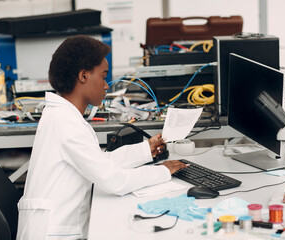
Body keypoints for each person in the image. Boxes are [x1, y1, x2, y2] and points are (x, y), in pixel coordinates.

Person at [16, 35, 187, 240]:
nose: (107, 85)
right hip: (52, 234)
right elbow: (112, 180)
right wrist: (162, 171)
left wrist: (145, 150)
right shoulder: (66, 123)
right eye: (103, 76)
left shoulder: (62, 115)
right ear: (83, 76)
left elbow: (98, 162)